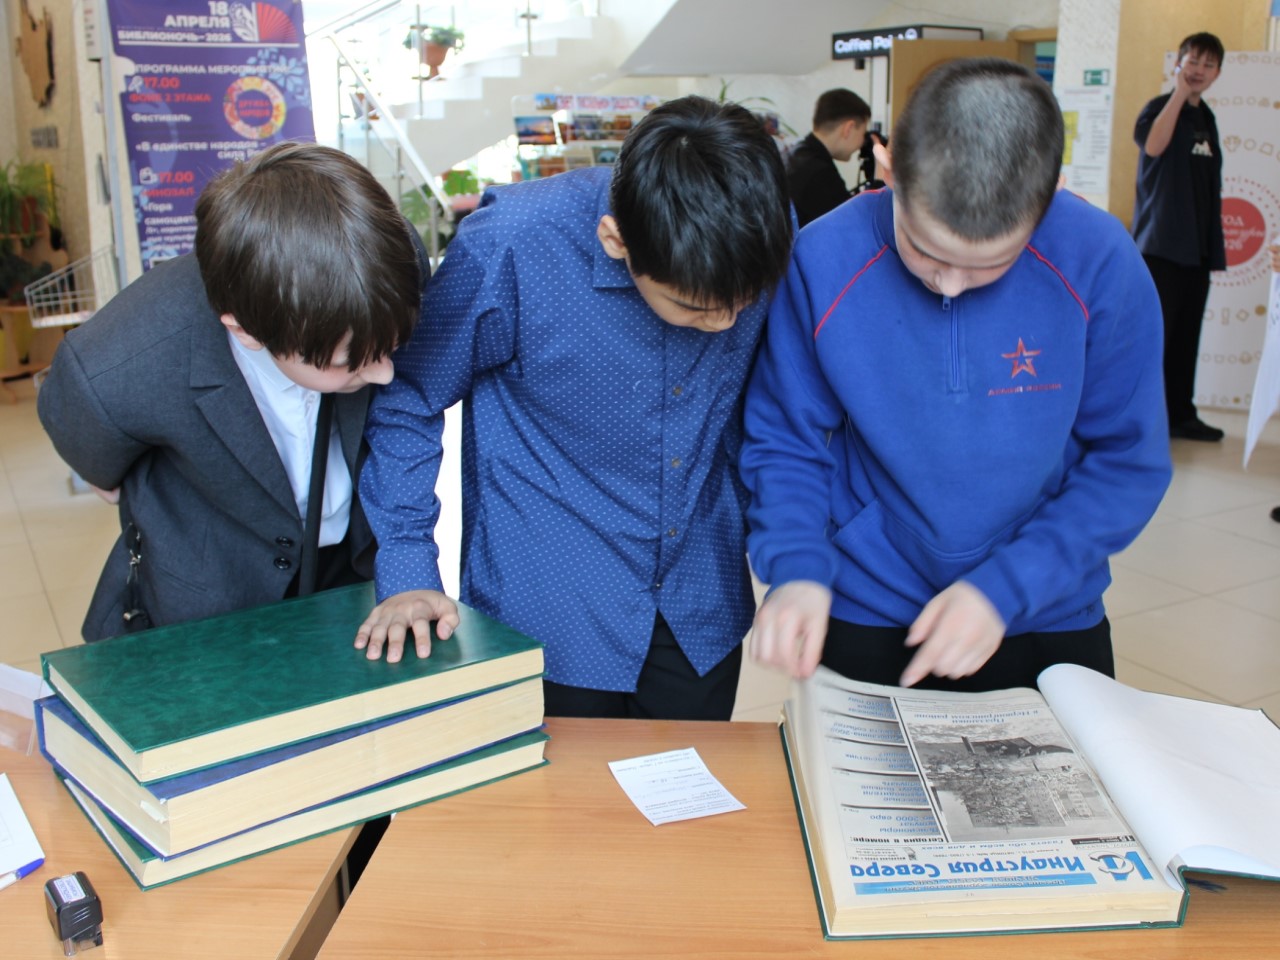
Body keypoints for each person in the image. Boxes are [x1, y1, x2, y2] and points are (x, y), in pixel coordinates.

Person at [740, 58, 1172, 693]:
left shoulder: (1100, 261)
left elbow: (1127, 461)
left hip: (1046, 605)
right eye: (925, 250)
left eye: (988, 266)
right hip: (869, 605)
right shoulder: (821, 260)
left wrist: (1008, 587)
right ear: (888, 166)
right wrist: (798, 565)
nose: (948, 285)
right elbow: (785, 440)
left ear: (1047, 202)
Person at [355, 95, 794, 720]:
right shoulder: (513, 245)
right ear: (615, 240)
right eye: (694, 308)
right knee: (557, 785)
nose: (726, 325)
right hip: (552, 605)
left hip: (699, 600)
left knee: (695, 780)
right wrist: (408, 569)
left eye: (744, 303)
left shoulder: (760, 225)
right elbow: (409, 397)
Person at [38, 142, 424, 641]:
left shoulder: (393, 260)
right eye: (345, 362)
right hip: (208, 594)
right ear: (244, 329)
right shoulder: (119, 361)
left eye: (389, 347)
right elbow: (90, 447)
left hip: (346, 569)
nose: (385, 375)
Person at [1132, 31, 1227, 442]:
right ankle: (1142, 420)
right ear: (1178, 64)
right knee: (1156, 337)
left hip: (1198, 248)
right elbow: (1154, 147)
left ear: (1218, 72)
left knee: (1187, 336)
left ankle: (1180, 415)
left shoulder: (1208, 119)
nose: (1199, 71)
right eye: (1193, 62)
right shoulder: (1158, 108)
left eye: (1209, 65)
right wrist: (1178, 94)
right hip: (1161, 246)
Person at [785, 88, 872, 228]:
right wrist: (879, 181)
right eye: (863, 133)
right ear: (849, 128)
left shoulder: (797, 154)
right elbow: (853, 227)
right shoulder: (818, 174)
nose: (863, 142)